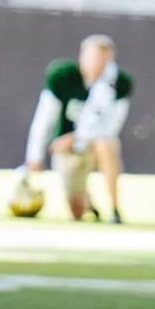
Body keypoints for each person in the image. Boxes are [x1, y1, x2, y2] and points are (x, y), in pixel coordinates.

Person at [24, 34, 133, 223]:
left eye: (102, 59)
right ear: (82, 56)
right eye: (92, 57)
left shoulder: (118, 85)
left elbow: (112, 127)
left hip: (94, 145)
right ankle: (88, 203)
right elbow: (44, 118)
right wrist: (34, 157)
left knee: (106, 145)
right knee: (77, 212)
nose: (96, 64)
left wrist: (77, 137)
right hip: (67, 150)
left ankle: (114, 208)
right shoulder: (64, 78)